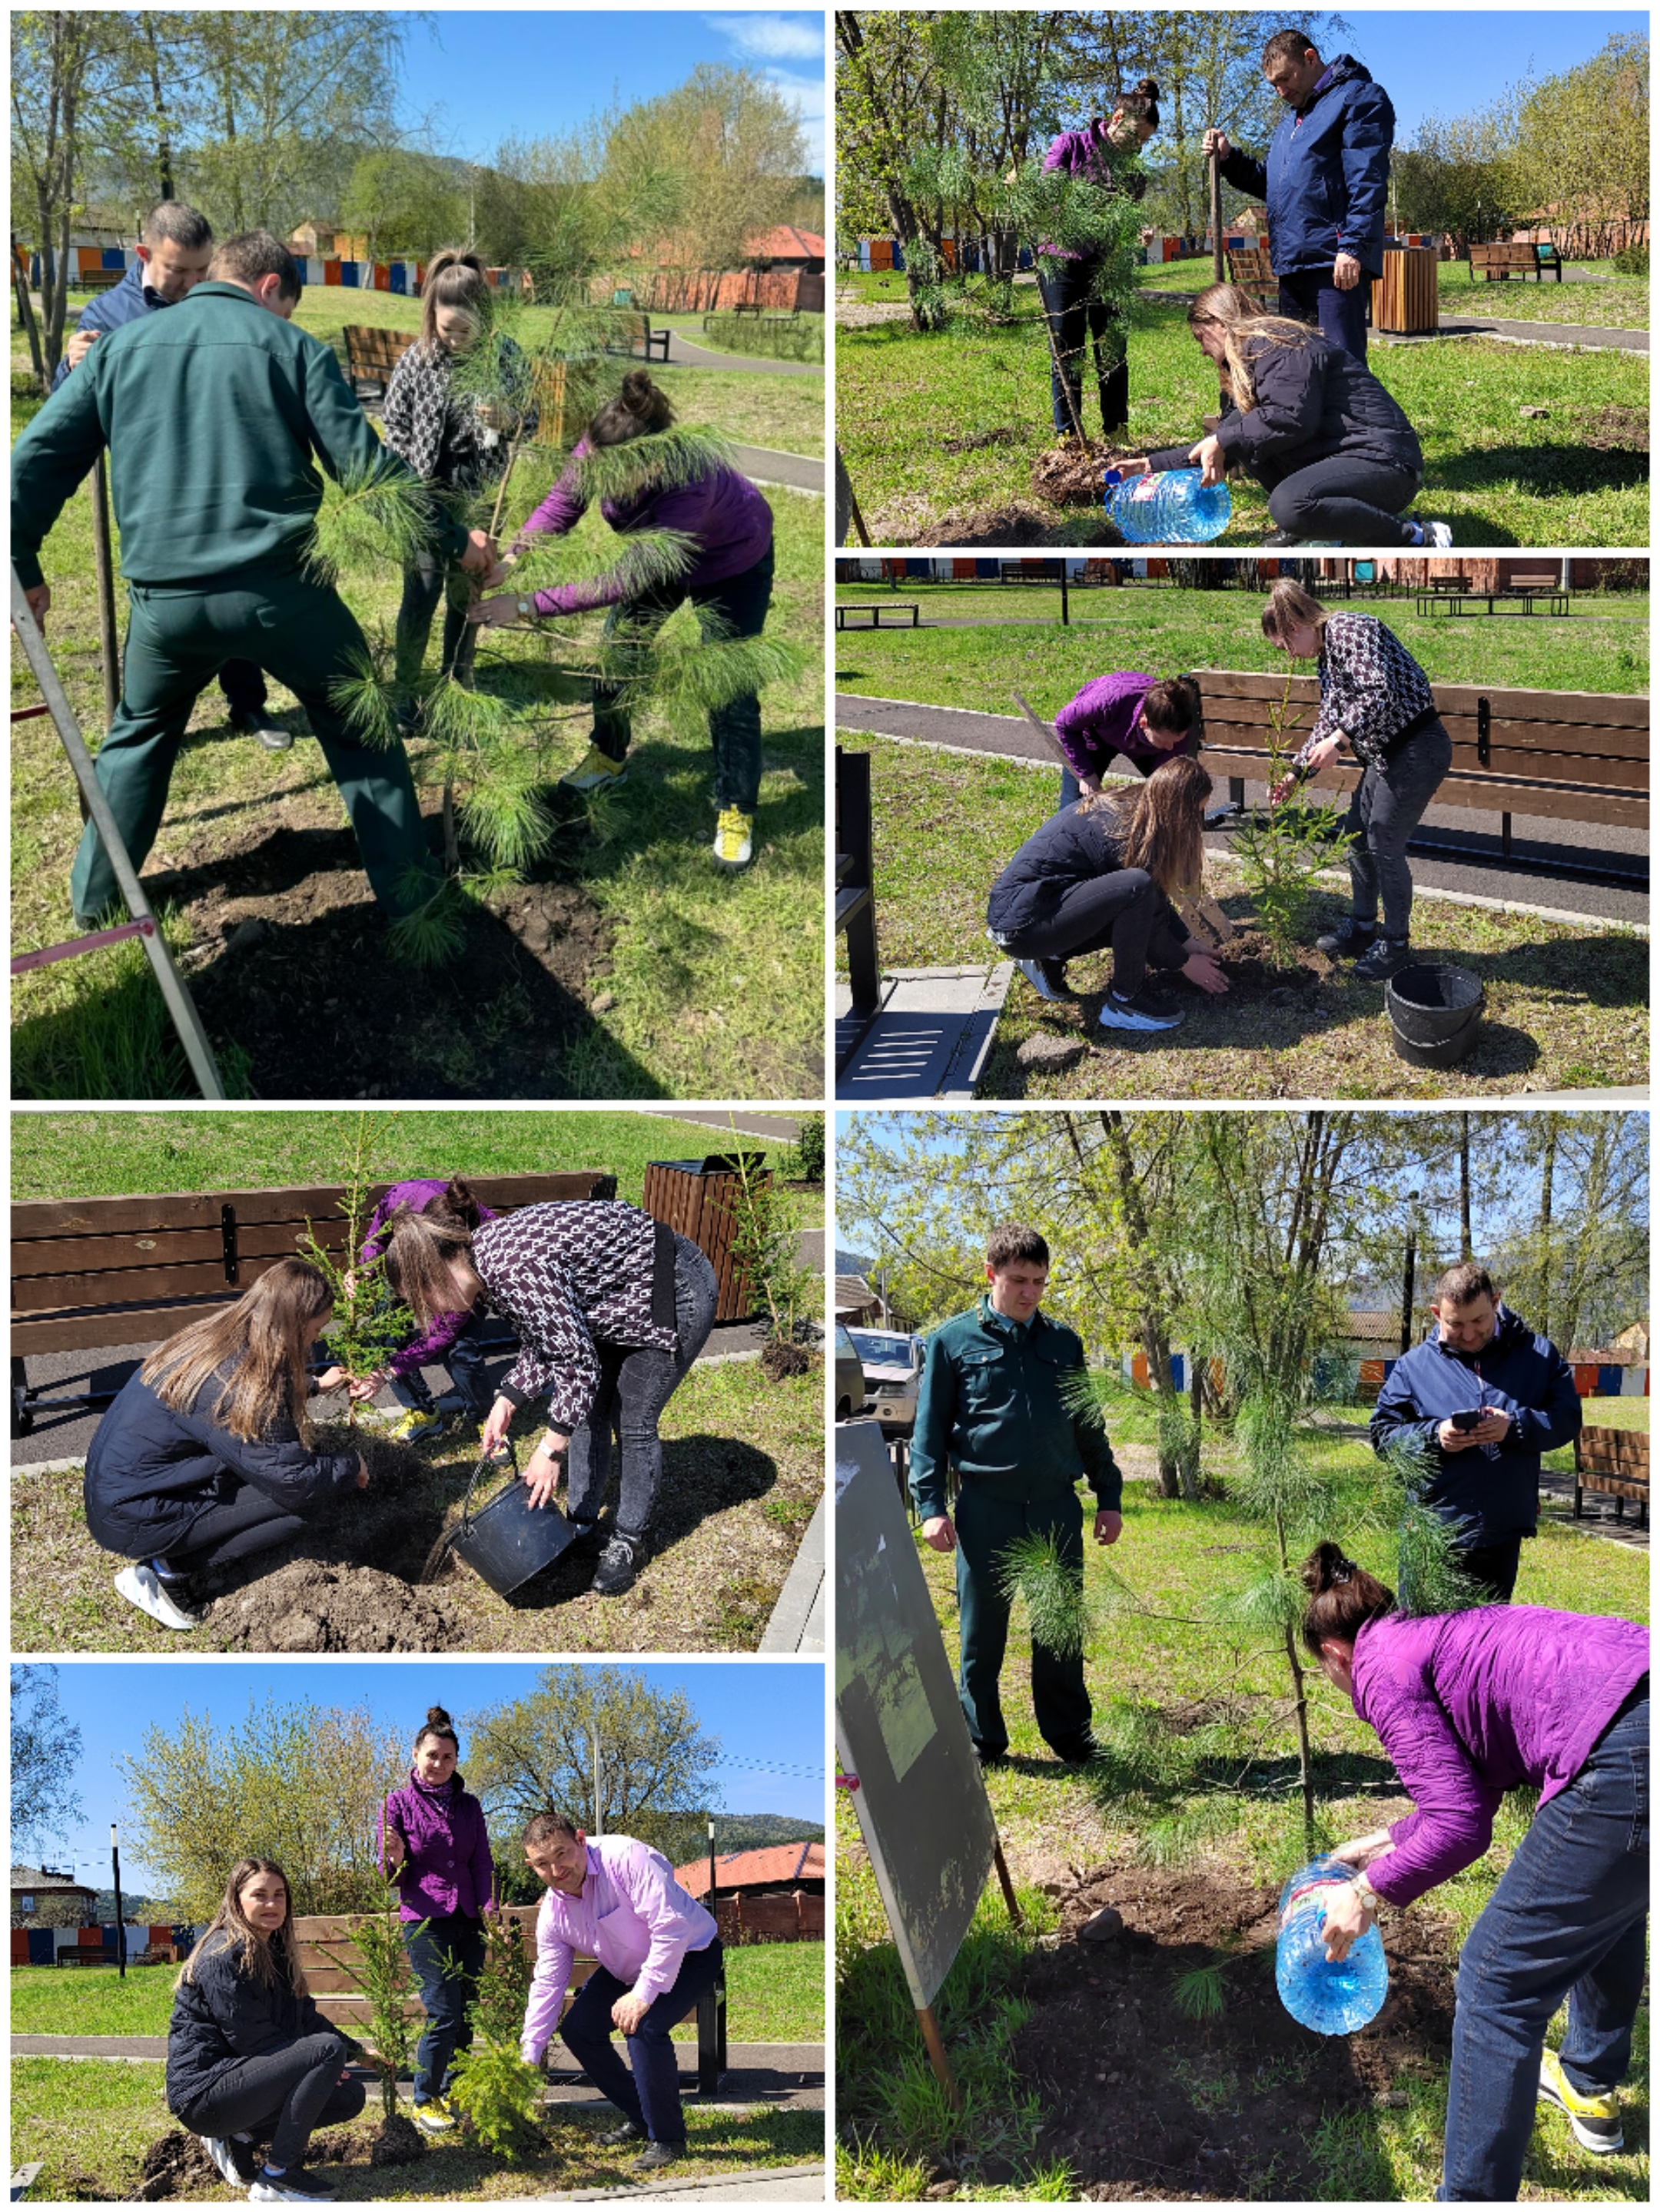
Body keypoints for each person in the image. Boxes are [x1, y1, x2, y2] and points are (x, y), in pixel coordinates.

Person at [11, 229, 499, 930]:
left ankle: (95, 903)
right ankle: (413, 900)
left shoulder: (119, 348)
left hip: (164, 606)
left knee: (139, 736)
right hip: (285, 595)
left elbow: (35, 459)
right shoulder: (294, 349)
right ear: (271, 289)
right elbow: (370, 477)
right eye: (289, 308)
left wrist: (22, 562)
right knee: (360, 725)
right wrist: (459, 542)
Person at [1299, 1543, 1648, 2199]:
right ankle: (1589, 2081)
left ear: (1335, 1654)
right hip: (1638, 1689)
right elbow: (1470, 1781)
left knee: (1494, 1981)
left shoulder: (1379, 1671)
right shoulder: (1421, 1636)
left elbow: (1460, 1827)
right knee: (1611, 1904)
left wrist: (1366, 1892)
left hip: (1622, 1751)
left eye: (1326, 1673)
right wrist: (1386, 1839)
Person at [467, 369, 775, 872]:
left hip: (731, 560)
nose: (602, 484)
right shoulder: (601, 448)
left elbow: (622, 581)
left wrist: (524, 605)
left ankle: (736, 806)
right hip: (658, 555)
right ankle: (608, 757)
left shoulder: (687, 483)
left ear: (650, 459)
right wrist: (514, 558)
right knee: (617, 652)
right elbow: (561, 503)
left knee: (729, 686)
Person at [49, 200, 293, 754]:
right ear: (142, 254)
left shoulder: (215, 306)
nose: (189, 283)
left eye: (200, 271)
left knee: (231, 587)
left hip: (218, 472)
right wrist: (70, 367)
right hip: (151, 487)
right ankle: (148, 719)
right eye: (177, 270)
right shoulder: (107, 317)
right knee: (161, 601)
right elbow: (64, 416)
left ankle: (247, 702)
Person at [380, 1197, 718, 1597]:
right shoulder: (481, 1270)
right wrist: (507, 1399)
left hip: (668, 1286)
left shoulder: (511, 1268)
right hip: (610, 1298)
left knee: (632, 1421)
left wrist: (550, 1449)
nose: (431, 1315)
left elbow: (575, 1362)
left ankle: (629, 1541)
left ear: (436, 1275)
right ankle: (581, 1525)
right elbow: (547, 1337)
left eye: (423, 1302)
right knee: (588, 1411)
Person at [908, 1224, 1124, 1766]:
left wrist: (1109, 1495)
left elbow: (1088, 1426)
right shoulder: (952, 1342)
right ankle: (982, 1741)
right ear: (991, 1275)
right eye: (1019, 1280)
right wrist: (930, 1507)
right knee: (982, 1636)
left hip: (1054, 1508)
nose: (1030, 1292)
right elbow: (928, 1434)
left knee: (1059, 1631)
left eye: (1039, 1282)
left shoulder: (1063, 1345)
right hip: (987, 1509)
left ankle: (1071, 1735)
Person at [82, 1257, 368, 1633]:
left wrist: (314, 1385)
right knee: (301, 1505)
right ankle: (167, 1572)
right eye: (316, 1329)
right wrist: (350, 1465)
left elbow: (228, 1401)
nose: (318, 1339)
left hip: (120, 1492)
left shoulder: (219, 1336)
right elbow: (296, 1482)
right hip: (136, 1516)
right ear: (293, 1325)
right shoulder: (238, 1384)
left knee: (273, 1470)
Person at [1124, 284, 1449, 549]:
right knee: (1242, 436)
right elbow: (1223, 439)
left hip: (1388, 466)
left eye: (1201, 339)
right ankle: (1312, 526)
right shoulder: (1246, 361)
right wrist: (1149, 466)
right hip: (1344, 459)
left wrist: (1224, 439)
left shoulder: (1280, 345)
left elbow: (1290, 418)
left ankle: (1418, 538)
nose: (1203, 351)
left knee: (1288, 505)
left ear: (1219, 324)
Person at [1260, 578, 1452, 977]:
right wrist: (1296, 773)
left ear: (1295, 628)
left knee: (1383, 839)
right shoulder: (1326, 656)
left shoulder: (1351, 628)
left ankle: (1395, 944)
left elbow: (1378, 691)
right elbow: (1328, 720)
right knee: (1357, 837)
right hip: (1386, 754)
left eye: (1284, 647)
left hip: (1417, 745)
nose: (1290, 657)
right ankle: (1363, 928)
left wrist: (1341, 740)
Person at [519, 1810, 722, 2173]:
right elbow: (548, 1982)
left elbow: (670, 1927)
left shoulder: (627, 1857)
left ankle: (667, 2138)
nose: (556, 1871)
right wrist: (530, 2053)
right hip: (623, 1965)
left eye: (562, 1854)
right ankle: (641, 2115)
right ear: (531, 1865)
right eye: (542, 1864)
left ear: (581, 1839)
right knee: (580, 2030)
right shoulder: (553, 1914)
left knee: (644, 2028)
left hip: (691, 1952)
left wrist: (643, 1994)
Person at [1370, 1261, 1582, 1603]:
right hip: (1431, 1534)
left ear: (1495, 1302)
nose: (1468, 1335)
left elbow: (1568, 1419)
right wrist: (1434, 1436)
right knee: (1424, 1643)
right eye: (1455, 1323)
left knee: (1484, 1650)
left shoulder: (1538, 1357)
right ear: (1437, 1313)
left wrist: (1515, 1427)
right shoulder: (1413, 1368)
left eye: (1479, 1320)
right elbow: (1382, 1436)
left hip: (1501, 1533)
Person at [166, 1855, 367, 2203]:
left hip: (243, 2082)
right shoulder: (221, 1954)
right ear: (236, 1900)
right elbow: (253, 2039)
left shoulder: (275, 1954)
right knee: (325, 2051)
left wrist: (360, 2054)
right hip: (204, 2094)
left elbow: (307, 2020)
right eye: (260, 1895)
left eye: (280, 1894)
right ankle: (276, 2178)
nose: (272, 1903)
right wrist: (318, 2063)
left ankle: (241, 2135)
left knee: (350, 2097)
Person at [381, 249, 536, 698]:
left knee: (466, 597)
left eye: (465, 331)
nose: (454, 339)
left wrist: (510, 418)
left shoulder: (505, 355)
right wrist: (404, 466)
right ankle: (406, 691)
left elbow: (535, 416)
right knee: (421, 592)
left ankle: (456, 686)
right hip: (426, 492)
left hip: (481, 492)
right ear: (432, 314)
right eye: (447, 329)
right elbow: (393, 423)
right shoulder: (417, 358)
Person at [988, 753, 1230, 1031]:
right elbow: (1142, 904)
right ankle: (1126, 1001)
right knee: (1135, 889)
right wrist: (1185, 963)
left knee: (1136, 894)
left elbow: (1152, 901)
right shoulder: (1123, 833)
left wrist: (1185, 941)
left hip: (1032, 914)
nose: (1196, 823)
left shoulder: (1137, 807)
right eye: (1195, 812)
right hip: (1024, 925)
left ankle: (1049, 959)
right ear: (1177, 810)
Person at [1203, 33, 1395, 363]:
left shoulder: (1357, 99)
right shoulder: (1291, 121)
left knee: (1341, 369)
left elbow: (1368, 180)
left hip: (1333, 262)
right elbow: (1276, 186)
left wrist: (1353, 246)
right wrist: (1230, 158)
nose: (1281, 91)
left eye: (1285, 78)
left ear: (1309, 58)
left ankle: (1357, 419)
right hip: (1293, 263)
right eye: (1273, 85)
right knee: (1297, 371)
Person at [380, 1704, 496, 2137]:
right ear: (415, 1755)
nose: (439, 1764)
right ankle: (425, 2099)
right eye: (432, 1755)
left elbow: (482, 1863)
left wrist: (490, 1911)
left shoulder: (470, 1806)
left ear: (456, 1761)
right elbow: (392, 1877)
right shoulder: (396, 1804)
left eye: (448, 1757)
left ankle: (455, 2092)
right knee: (443, 2010)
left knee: (464, 2010)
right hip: (425, 1919)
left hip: (469, 1917)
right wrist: (393, 1859)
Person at [1035, 81, 1159, 442]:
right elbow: (1047, 197)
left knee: (1113, 349)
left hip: (1109, 267)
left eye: (1145, 142)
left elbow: (1125, 219)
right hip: (1062, 262)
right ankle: (1069, 434)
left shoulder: (1134, 174)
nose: (1138, 146)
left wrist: (1135, 232)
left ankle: (1116, 428)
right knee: (1066, 350)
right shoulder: (1070, 145)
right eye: (1136, 136)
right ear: (1117, 118)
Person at [345, 1176, 500, 1445]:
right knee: (387, 1332)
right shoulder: (405, 1197)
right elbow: (380, 1229)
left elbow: (441, 1334)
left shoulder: (473, 1257)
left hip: (464, 1272)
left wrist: (388, 1372)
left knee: (460, 1349)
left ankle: (486, 1419)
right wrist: (366, 1268)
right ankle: (423, 1412)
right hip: (414, 1266)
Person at [1051, 670, 1201, 811]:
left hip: (1144, 746)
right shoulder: (1105, 702)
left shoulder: (1179, 728)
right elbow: (1064, 723)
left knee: (1171, 800)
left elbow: (1165, 786)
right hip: (1096, 733)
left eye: (1176, 741)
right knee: (1072, 807)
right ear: (1144, 723)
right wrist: (1087, 774)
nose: (1170, 747)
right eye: (1165, 741)